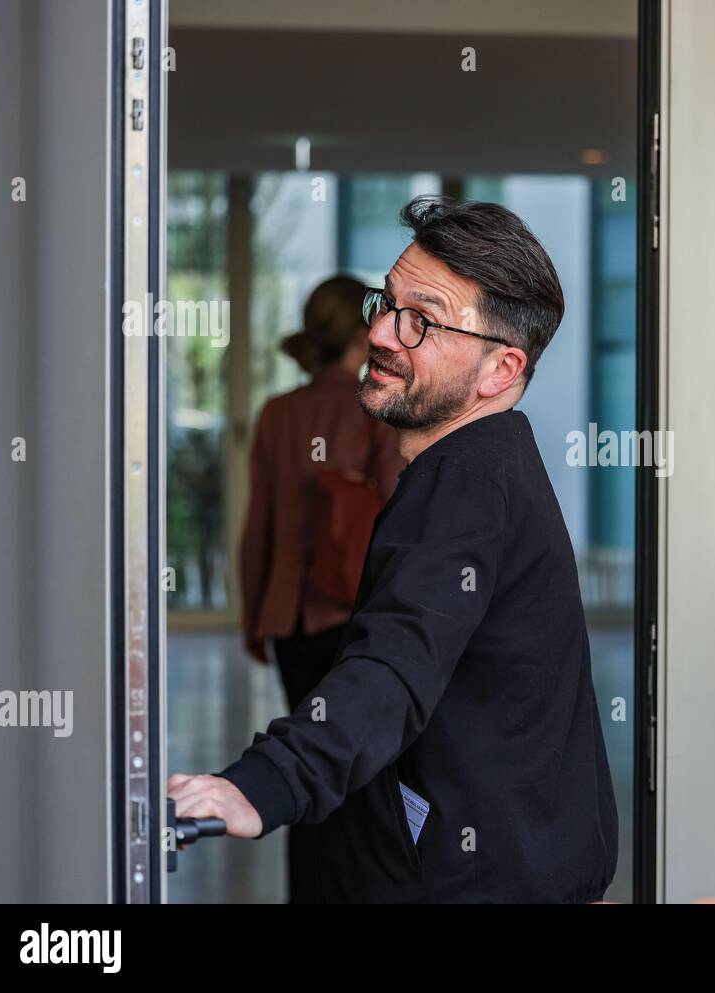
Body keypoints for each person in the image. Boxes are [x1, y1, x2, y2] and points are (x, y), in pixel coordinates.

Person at [170, 196, 619, 903]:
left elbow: (394, 665)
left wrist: (263, 783)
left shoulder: (465, 481)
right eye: (387, 302)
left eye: (422, 320)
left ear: (499, 370)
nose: (381, 331)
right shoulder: (494, 461)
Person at [238, 274, 405, 901]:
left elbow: (259, 529)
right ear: (361, 331)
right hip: (357, 614)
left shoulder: (278, 413)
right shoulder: (378, 405)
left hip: (292, 622)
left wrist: (257, 618)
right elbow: (399, 510)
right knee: (361, 766)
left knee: (302, 761)